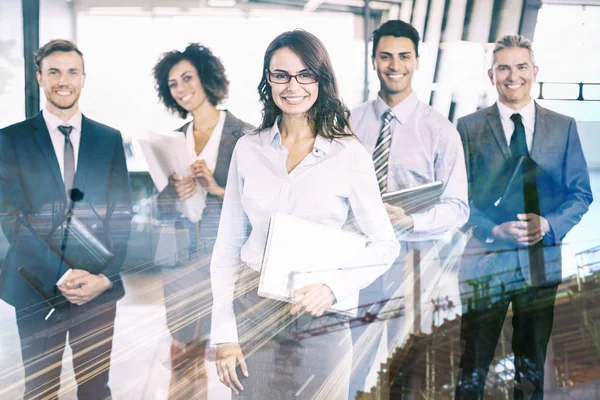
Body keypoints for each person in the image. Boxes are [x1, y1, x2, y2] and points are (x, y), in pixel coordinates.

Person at [209, 29, 400, 399]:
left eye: (304, 74)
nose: (292, 86)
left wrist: (332, 289)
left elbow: (384, 245)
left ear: (320, 79)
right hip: (254, 312)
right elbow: (227, 246)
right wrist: (225, 336)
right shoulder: (248, 149)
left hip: (320, 318)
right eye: (280, 75)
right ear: (268, 80)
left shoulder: (349, 154)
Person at [455, 34, 592, 399]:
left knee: (530, 367)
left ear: (534, 71)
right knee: (473, 365)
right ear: (491, 75)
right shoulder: (468, 128)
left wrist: (549, 225)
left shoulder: (563, 127)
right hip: (485, 264)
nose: (512, 76)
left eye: (520, 67)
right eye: (503, 68)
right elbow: (459, 198)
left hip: (540, 264)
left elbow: (580, 194)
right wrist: (492, 227)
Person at [0, 39, 132, 399]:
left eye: (72, 72)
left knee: (94, 389)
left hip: (98, 289)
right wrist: (62, 273)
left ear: (84, 78)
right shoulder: (9, 141)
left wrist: (104, 277)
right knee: (40, 390)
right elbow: (10, 217)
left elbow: (122, 213)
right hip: (36, 288)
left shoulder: (109, 139)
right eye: (54, 71)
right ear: (39, 78)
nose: (63, 80)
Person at [349, 19, 469, 398]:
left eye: (404, 56)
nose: (394, 65)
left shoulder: (439, 130)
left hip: (414, 263)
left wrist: (413, 220)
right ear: (374, 61)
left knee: (409, 367)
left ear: (417, 61)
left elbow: (458, 207)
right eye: (386, 56)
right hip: (359, 260)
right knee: (351, 362)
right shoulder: (349, 123)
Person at [152, 43, 253, 397]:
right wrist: (171, 193)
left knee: (236, 357)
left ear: (207, 78)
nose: (181, 88)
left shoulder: (247, 136)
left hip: (229, 262)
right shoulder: (171, 141)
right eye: (173, 83)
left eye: (187, 78)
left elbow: (262, 205)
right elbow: (157, 209)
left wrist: (217, 188)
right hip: (182, 265)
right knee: (184, 357)